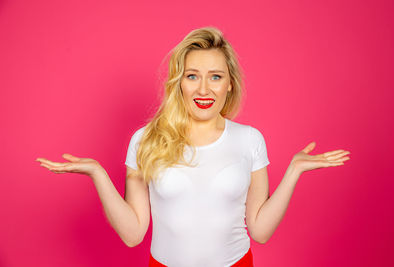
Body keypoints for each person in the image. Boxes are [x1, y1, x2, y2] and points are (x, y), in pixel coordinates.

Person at [36, 27, 351, 267]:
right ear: (178, 82)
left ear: (229, 84)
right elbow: (133, 234)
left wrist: (294, 170)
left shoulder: (250, 139)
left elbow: (261, 230)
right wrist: (97, 174)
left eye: (215, 77)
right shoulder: (145, 139)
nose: (204, 88)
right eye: (192, 76)